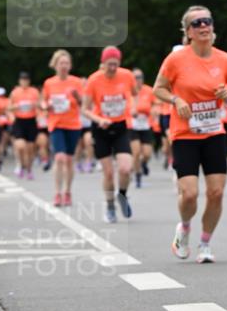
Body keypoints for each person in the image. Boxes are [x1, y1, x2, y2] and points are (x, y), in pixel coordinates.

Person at [153, 5, 227, 263]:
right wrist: (175, 100)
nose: (204, 26)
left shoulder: (225, 59)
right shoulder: (176, 59)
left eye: (208, 21)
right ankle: (184, 227)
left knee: (216, 192)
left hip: (214, 133)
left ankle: (205, 244)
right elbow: (157, 89)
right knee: (191, 194)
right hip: (184, 133)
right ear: (188, 32)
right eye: (197, 23)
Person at [83, 46, 137, 223]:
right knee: (108, 173)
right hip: (101, 129)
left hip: (120, 126)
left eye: (116, 64)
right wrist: (99, 119)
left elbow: (134, 94)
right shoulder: (94, 80)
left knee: (125, 168)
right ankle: (110, 206)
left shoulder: (127, 75)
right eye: (109, 64)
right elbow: (84, 109)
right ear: (103, 63)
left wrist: (133, 106)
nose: (113, 68)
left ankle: (122, 196)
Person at [41, 50, 83, 206]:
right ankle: (57, 193)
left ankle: (68, 191)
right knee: (59, 158)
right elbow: (43, 103)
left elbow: (84, 104)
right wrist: (47, 105)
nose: (64, 66)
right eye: (61, 63)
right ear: (55, 65)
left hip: (73, 124)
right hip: (56, 124)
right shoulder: (49, 83)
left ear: (70, 65)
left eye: (66, 63)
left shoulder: (76, 82)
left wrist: (77, 97)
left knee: (69, 160)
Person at [9, 72, 40, 179]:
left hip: (31, 121)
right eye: (22, 80)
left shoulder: (34, 92)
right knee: (20, 145)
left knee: (30, 148)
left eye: (26, 80)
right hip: (19, 121)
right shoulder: (15, 92)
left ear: (29, 81)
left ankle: (29, 169)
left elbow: (40, 105)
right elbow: (9, 108)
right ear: (19, 81)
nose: (24, 82)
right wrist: (16, 107)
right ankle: (20, 165)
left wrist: (35, 105)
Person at [130, 68, 155, 187]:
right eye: (135, 77)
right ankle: (138, 176)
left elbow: (156, 105)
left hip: (145, 125)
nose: (137, 80)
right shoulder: (128, 91)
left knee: (147, 153)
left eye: (139, 77)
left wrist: (154, 112)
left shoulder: (149, 91)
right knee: (136, 152)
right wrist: (131, 111)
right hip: (132, 125)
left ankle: (143, 163)